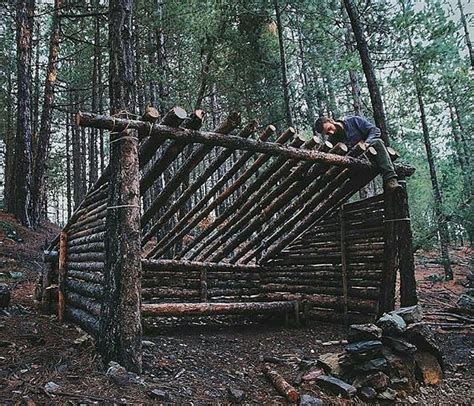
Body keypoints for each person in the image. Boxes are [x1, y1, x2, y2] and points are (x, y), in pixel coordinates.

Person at [313, 116, 401, 193]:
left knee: (377, 142)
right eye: (327, 133)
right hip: (356, 165)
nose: (331, 133)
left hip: (372, 153)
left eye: (329, 129)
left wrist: (367, 143)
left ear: (331, 120)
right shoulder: (332, 141)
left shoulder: (354, 121)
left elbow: (374, 130)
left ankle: (391, 180)